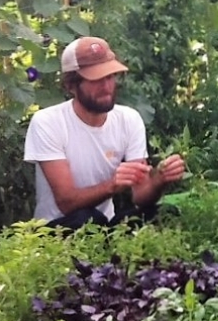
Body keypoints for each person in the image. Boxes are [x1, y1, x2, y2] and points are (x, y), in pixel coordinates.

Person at [24, 36, 186, 230]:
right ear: (71, 85)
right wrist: (112, 186)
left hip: (104, 226)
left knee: (162, 214)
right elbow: (66, 202)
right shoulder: (48, 122)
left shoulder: (129, 119)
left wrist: (158, 180)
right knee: (88, 218)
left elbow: (140, 196)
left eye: (110, 77)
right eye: (96, 80)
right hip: (57, 230)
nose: (107, 87)